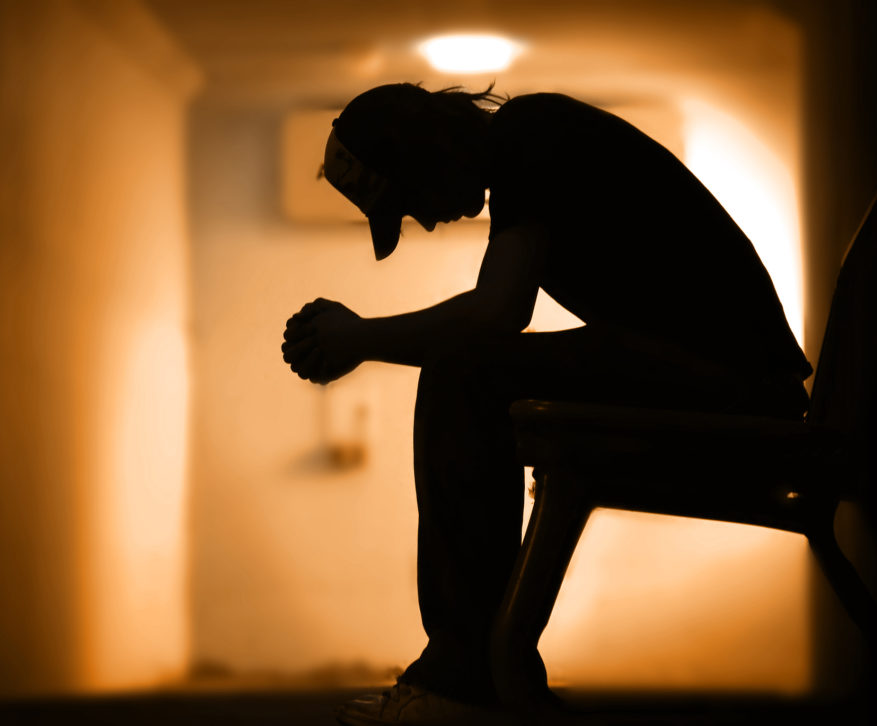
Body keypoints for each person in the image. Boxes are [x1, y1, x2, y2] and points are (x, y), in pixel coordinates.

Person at [282, 83, 812, 725]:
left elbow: (497, 313)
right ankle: (481, 672)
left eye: (408, 200)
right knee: (472, 370)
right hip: (732, 381)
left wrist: (357, 338)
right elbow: (500, 318)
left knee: (466, 373)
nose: (423, 220)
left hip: (740, 390)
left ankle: (463, 682)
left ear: (423, 152)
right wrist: (359, 340)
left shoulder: (530, 134)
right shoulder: (528, 142)